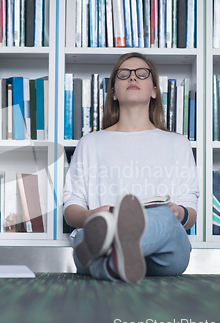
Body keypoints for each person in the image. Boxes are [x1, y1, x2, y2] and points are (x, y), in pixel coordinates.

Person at [63, 52, 200, 283]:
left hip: (163, 252)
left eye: (142, 74)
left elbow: (190, 213)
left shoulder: (178, 143)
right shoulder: (90, 142)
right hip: (99, 240)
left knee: (164, 218)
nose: (132, 78)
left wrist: (179, 213)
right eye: (124, 74)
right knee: (88, 234)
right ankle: (119, 259)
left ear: (154, 90)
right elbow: (70, 209)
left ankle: (112, 253)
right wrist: (90, 215)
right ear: (113, 92)